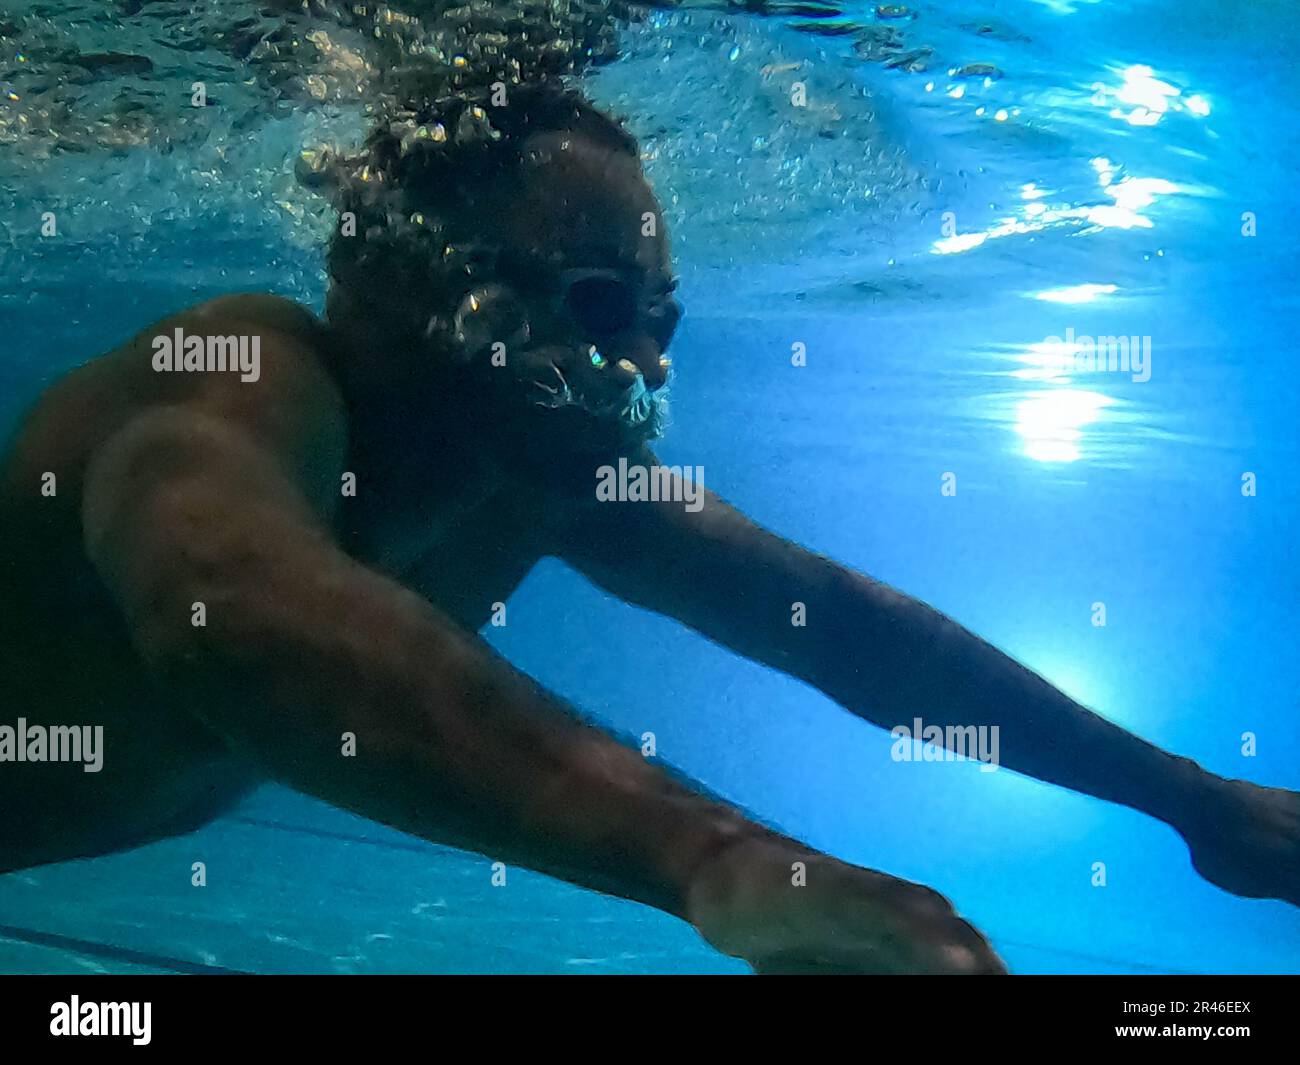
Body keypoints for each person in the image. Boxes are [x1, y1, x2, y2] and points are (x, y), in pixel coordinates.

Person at [0, 84, 1294, 974]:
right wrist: (722, 861)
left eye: (661, 321)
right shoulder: (235, 376)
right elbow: (233, 621)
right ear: (407, 279)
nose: (645, 367)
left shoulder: (533, 465)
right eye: (600, 304)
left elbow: (837, 626)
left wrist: (1193, 800)